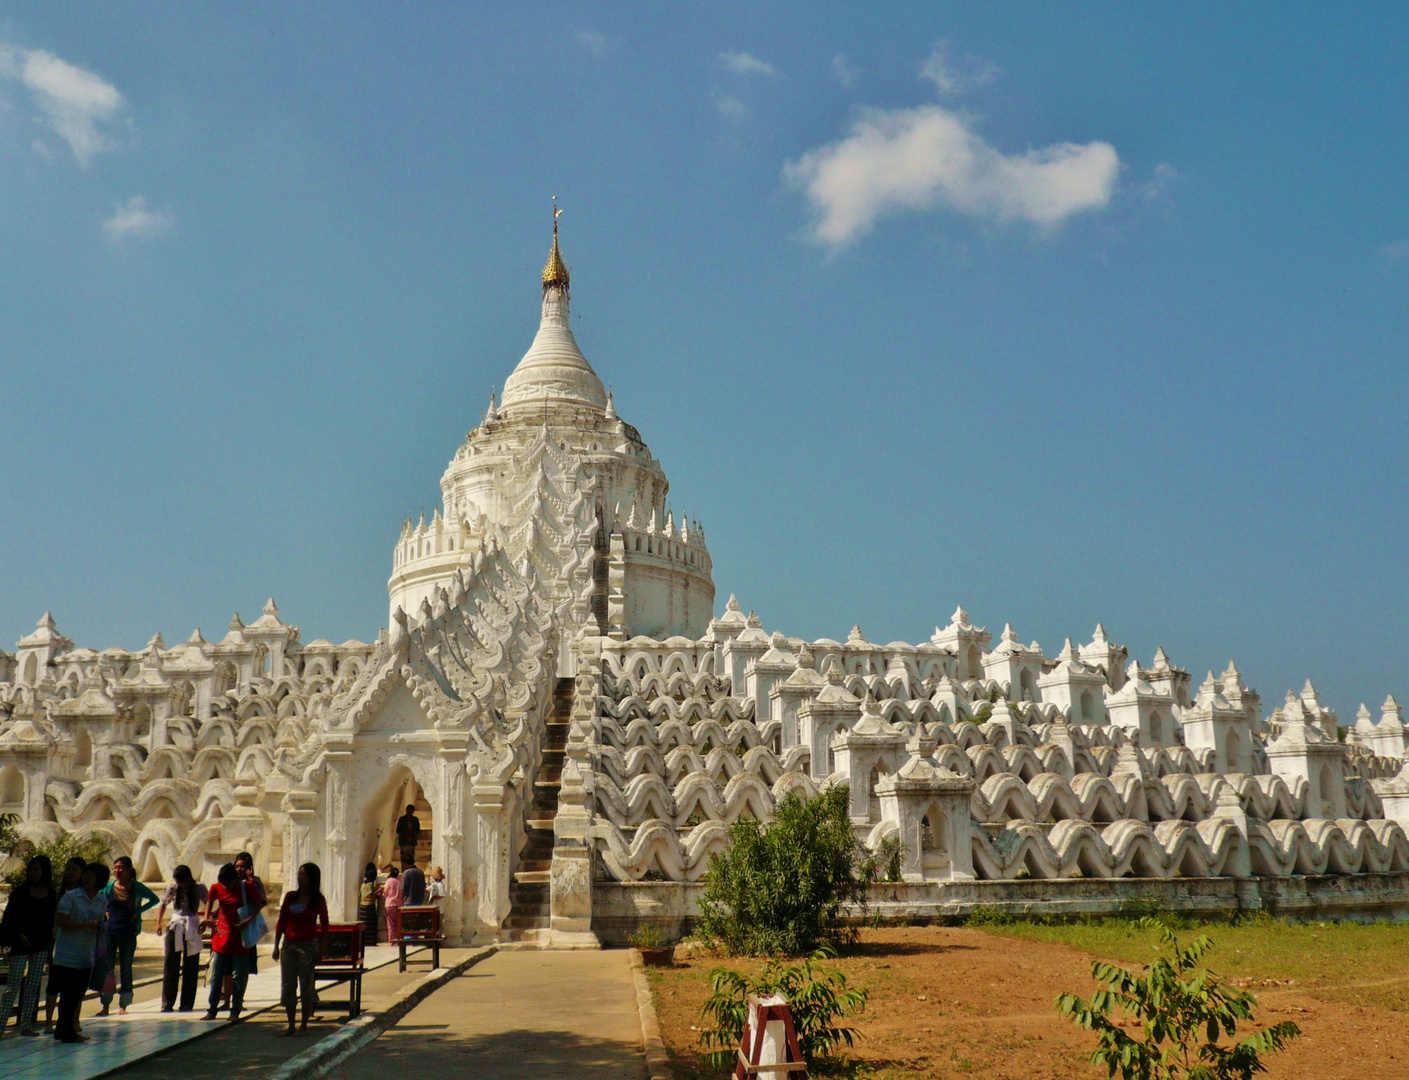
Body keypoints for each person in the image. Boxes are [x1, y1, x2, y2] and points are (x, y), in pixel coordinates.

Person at [0, 855, 56, 1037]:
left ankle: (25, 1025)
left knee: (32, 985)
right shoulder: (20, 892)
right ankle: (1, 1025)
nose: (33, 873)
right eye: (31, 869)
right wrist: (18, 935)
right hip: (20, 942)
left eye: (37, 869)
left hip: (41, 943)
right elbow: (9, 918)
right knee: (12, 986)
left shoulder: (50, 892)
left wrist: (49, 947)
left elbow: (50, 920)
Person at [271, 862, 330, 1036]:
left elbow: (325, 926)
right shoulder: (290, 897)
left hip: (307, 945)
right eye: (299, 874)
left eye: (304, 874)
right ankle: (291, 1024)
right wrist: (276, 945)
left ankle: (304, 1025)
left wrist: (321, 949)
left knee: (306, 985)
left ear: (312, 878)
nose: (300, 877)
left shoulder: (318, 900)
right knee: (288, 984)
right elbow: (281, 921)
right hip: (288, 945)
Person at [51, 862, 106, 1043]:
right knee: (67, 994)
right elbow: (61, 922)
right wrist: (85, 925)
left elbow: (99, 921)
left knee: (78, 993)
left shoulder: (101, 901)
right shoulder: (71, 897)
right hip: (67, 954)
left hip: (86, 954)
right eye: (86, 874)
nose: (87, 878)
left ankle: (63, 1029)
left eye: (92, 875)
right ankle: (66, 1031)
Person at [97, 856, 159, 1015]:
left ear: (129, 870)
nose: (117, 870)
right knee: (107, 969)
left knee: (126, 968)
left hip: (128, 933)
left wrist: (137, 912)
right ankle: (105, 1004)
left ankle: (123, 1004)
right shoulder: (109, 887)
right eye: (115, 867)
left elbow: (154, 899)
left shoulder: (136, 887)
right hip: (110, 933)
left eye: (120, 867)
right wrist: (104, 914)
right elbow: (99, 900)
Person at [202, 863, 252, 1021]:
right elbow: (210, 901)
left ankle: (235, 1011)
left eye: (228, 883)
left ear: (234, 880)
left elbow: (258, 905)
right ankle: (212, 1009)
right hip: (221, 938)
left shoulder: (246, 888)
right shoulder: (216, 888)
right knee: (216, 977)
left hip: (238, 939)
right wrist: (206, 917)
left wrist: (247, 921)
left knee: (237, 976)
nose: (226, 886)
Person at [154, 864, 207, 1012]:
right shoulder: (173, 888)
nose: (180, 884)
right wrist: (159, 922)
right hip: (175, 926)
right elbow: (163, 903)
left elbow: (209, 902)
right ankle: (167, 1003)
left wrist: (207, 921)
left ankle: (187, 1003)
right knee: (170, 964)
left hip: (192, 926)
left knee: (191, 966)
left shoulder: (199, 888)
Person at [42, 857, 85, 1035]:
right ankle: (48, 1022)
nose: (70, 872)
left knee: (76, 986)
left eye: (74, 869)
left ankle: (74, 1020)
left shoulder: (85, 894)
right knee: (54, 984)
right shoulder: (58, 893)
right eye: (68, 869)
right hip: (58, 942)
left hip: (79, 944)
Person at [357, 863, 379, 945]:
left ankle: (363, 941)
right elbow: (370, 894)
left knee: (364, 925)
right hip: (369, 907)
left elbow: (360, 895)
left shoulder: (363, 884)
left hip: (362, 906)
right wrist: (378, 891)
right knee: (370, 925)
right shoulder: (370, 884)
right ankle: (370, 942)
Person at [381, 865, 403, 943]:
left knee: (390, 923)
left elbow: (385, 893)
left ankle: (391, 940)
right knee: (398, 923)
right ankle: (398, 939)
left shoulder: (389, 881)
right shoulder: (400, 881)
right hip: (399, 904)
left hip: (390, 904)